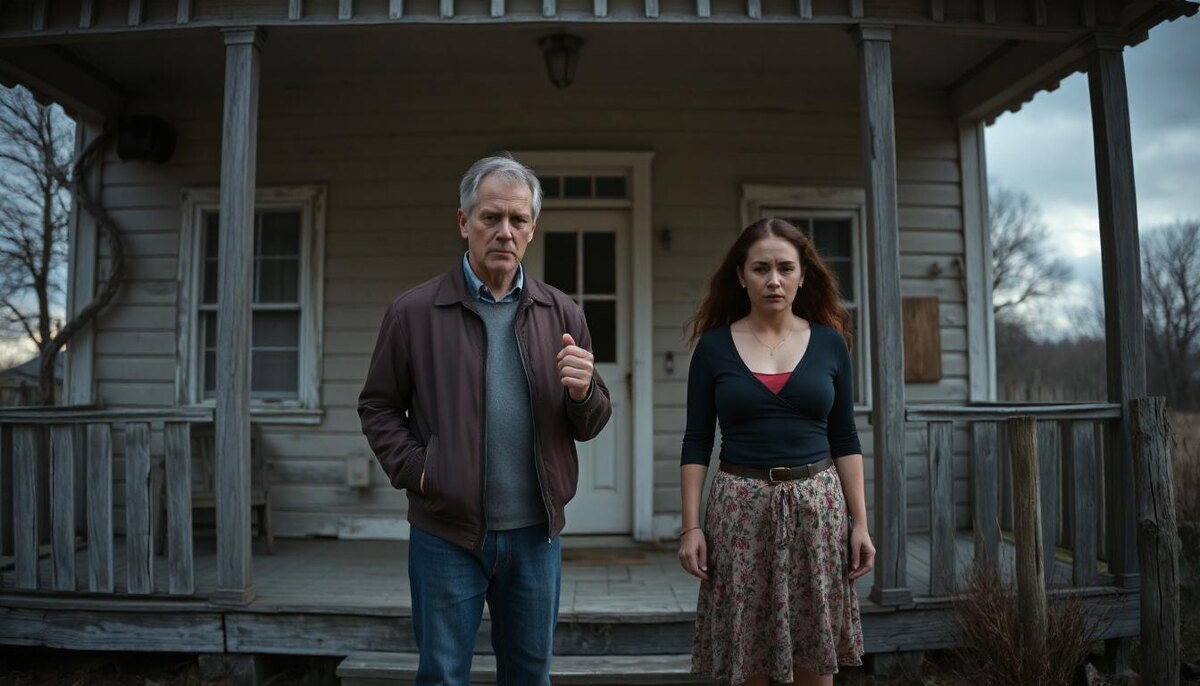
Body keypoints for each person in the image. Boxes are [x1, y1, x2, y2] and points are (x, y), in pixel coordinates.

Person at [358, 153, 613, 685]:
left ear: (532, 229)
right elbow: (378, 406)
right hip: (445, 534)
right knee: (442, 675)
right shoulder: (414, 313)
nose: (505, 231)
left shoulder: (563, 312)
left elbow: (589, 422)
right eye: (490, 217)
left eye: (518, 220)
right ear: (463, 221)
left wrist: (584, 392)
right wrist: (420, 471)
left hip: (536, 536)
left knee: (529, 676)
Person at [678, 218, 873, 685]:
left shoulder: (830, 343)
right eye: (760, 268)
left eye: (785, 268)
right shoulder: (713, 348)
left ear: (803, 275)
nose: (774, 280)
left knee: (814, 660)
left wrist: (861, 523)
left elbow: (845, 437)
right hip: (739, 514)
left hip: (818, 513)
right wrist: (691, 527)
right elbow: (696, 440)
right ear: (740, 275)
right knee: (748, 661)